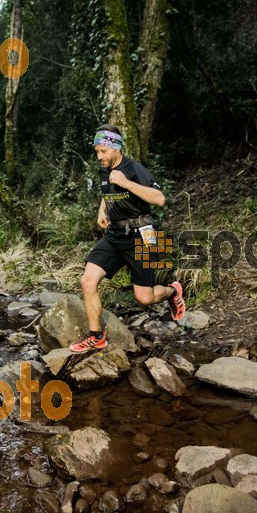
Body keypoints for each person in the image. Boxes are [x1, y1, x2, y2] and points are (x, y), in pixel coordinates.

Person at [69, 124, 186, 353]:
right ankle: (96, 336)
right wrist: (102, 210)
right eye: (97, 151)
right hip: (115, 235)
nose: (99, 156)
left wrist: (126, 183)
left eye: (103, 151)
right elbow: (108, 192)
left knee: (144, 297)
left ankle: (173, 291)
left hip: (143, 233)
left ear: (116, 148)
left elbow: (159, 198)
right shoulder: (105, 169)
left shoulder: (134, 169)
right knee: (88, 280)